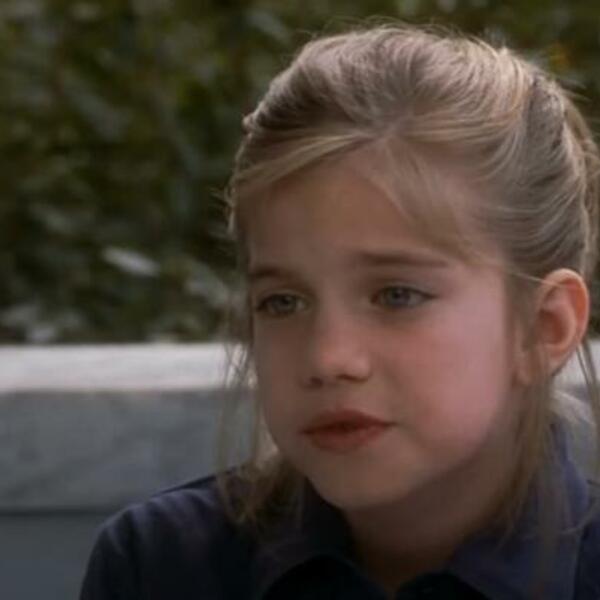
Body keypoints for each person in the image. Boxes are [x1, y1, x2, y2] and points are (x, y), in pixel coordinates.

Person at [80, 22, 600, 599]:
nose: (328, 358)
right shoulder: (159, 567)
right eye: (282, 302)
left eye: (397, 295)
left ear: (544, 327)